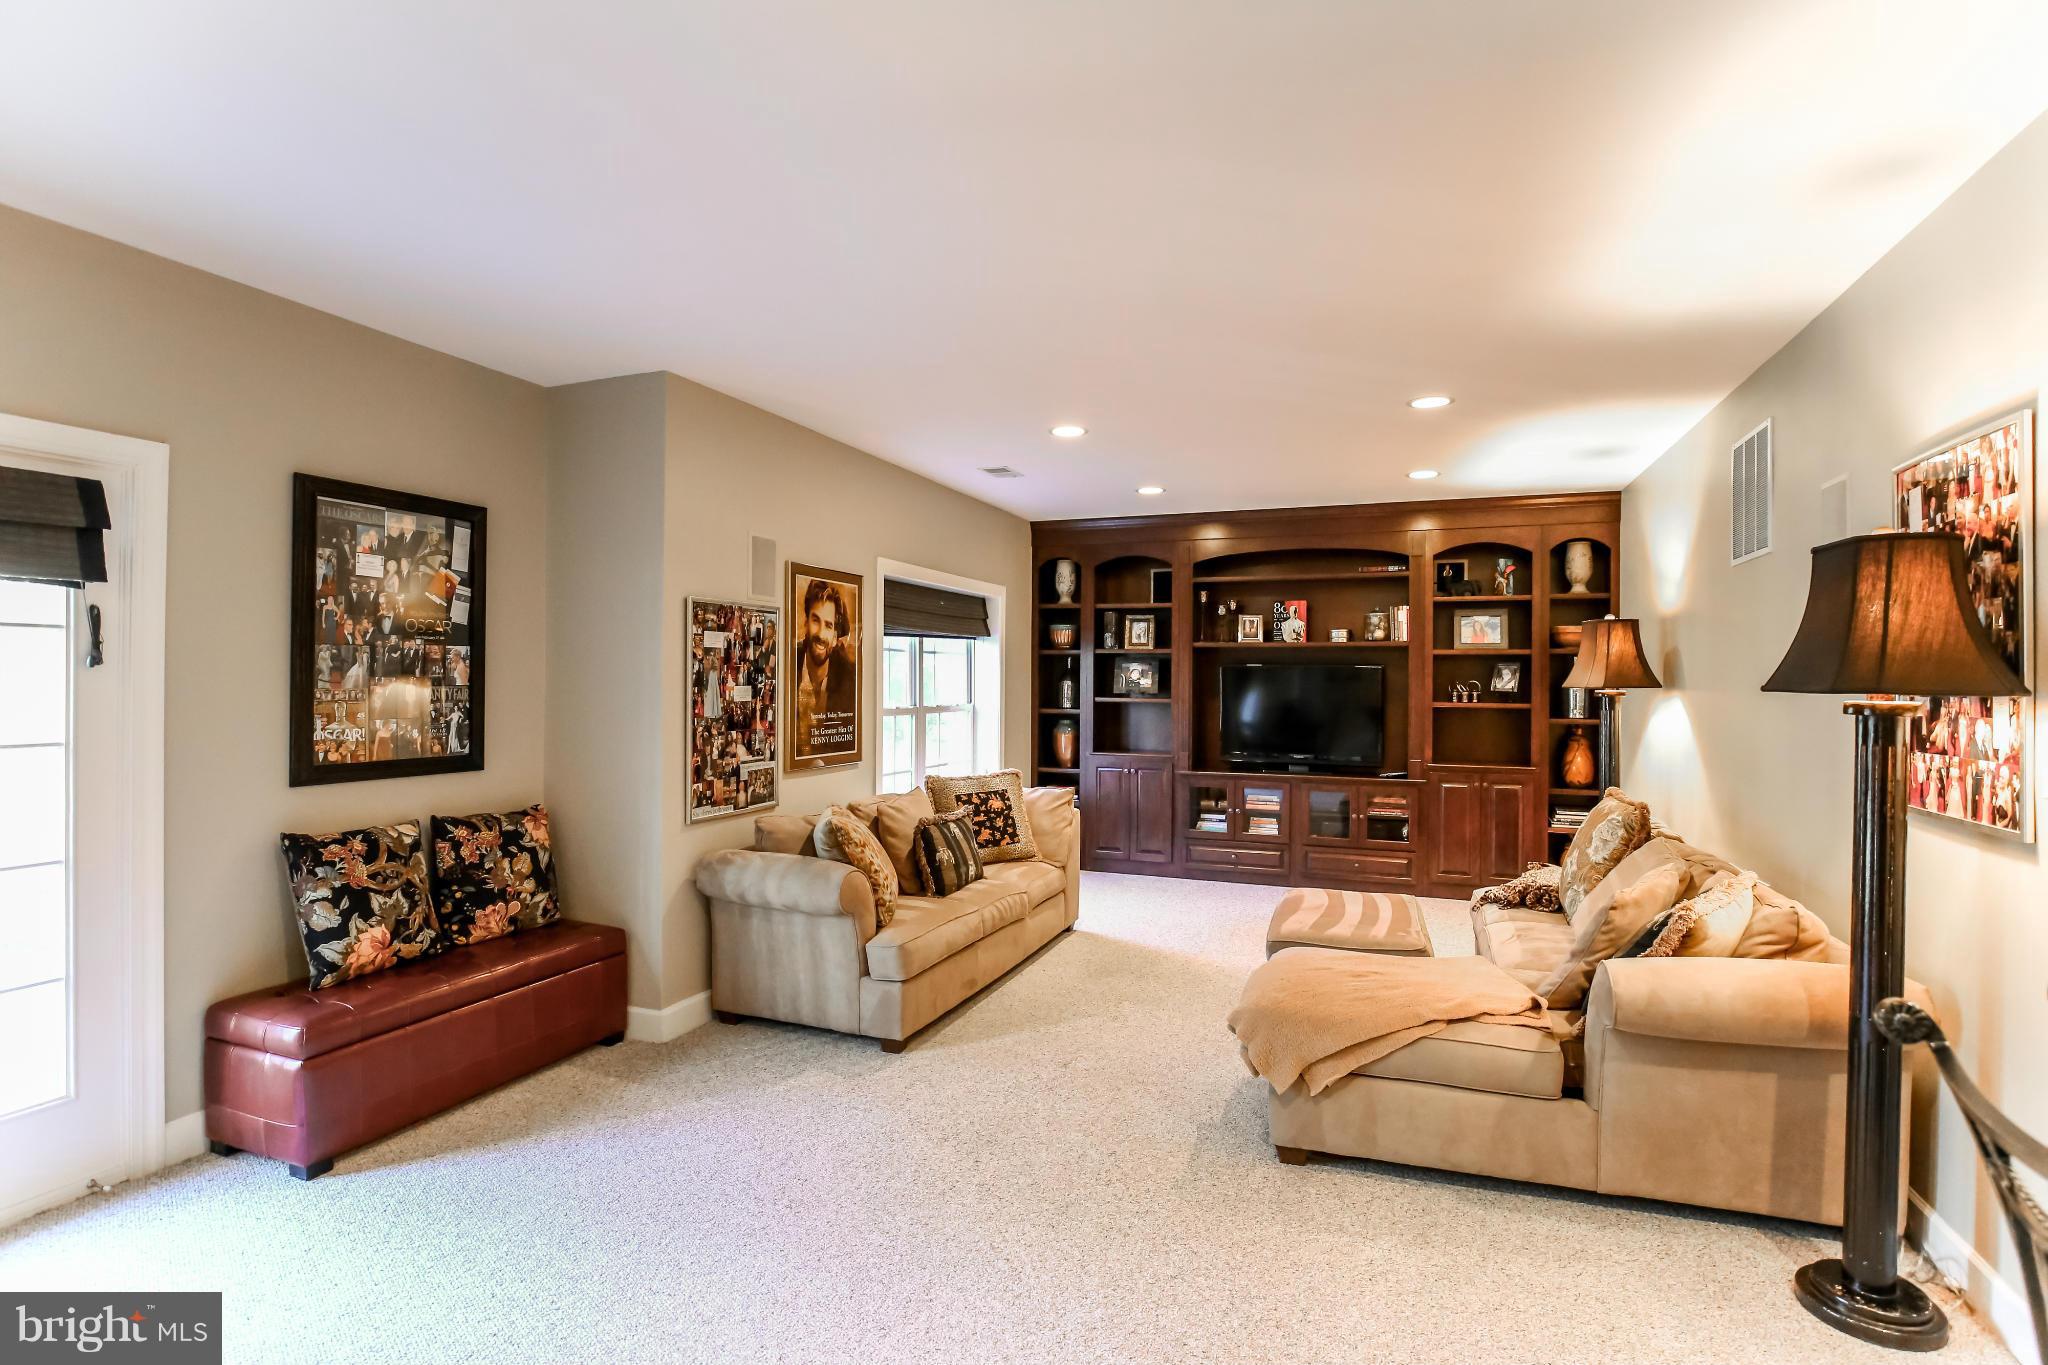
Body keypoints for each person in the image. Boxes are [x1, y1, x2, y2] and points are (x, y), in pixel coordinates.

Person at [795, 577, 856, 754]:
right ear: (806, 623)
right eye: (816, 620)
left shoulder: (850, 679)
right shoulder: (788, 666)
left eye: (828, 626)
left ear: (836, 637)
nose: (821, 633)